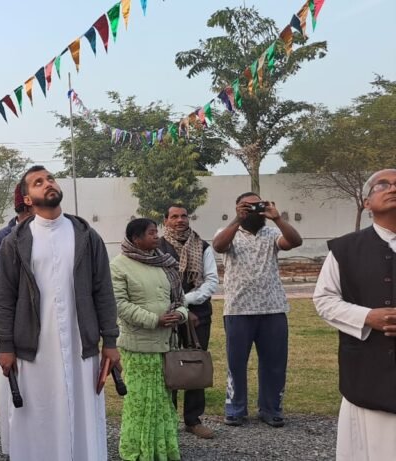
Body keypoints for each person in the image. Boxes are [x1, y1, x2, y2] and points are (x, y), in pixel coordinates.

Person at [0, 165, 119, 461]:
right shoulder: (15, 242)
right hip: (34, 348)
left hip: (80, 344)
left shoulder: (86, 235)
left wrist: (110, 342)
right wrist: (7, 346)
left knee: (82, 413)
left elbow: (103, 290)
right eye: (38, 182)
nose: (48, 183)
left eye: (49, 178)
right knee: (38, 416)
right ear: (27, 199)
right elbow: (5, 298)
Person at [313, 169, 396, 460]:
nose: (392, 188)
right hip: (366, 368)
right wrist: (366, 317)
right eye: (382, 185)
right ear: (366, 203)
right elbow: (324, 299)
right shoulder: (344, 249)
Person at [212, 192, 303, 428]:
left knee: (274, 363)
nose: (254, 210)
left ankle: (271, 409)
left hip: (273, 308)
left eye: (258, 206)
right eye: (247, 206)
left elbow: (294, 242)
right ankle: (235, 409)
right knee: (236, 362)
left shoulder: (272, 232)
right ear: (237, 207)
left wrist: (277, 218)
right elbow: (219, 246)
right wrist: (236, 220)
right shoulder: (228, 231)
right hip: (238, 309)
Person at [112, 218, 187, 461]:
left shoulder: (164, 263)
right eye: (151, 233)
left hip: (166, 344)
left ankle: (161, 450)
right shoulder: (119, 266)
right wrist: (155, 319)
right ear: (136, 239)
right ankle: (137, 451)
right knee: (140, 401)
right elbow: (120, 304)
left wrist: (180, 314)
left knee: (163, 402)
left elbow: (180, 300)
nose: (157, 236)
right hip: (137, 346)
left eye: (156, 232)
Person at [160, 204, 219, 439]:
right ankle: (168, 419)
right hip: (168, 314)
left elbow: (211, 280)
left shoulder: (201, 245)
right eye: (174, 216)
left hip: (198, 315)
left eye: (183, 216)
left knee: (195, 363)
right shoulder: (157, 246)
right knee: (168, 365)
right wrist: (179, 308)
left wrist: (186, 302)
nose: (180, 220)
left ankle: (193, 420)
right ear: (165, 221)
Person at [0, 186, 32, 456]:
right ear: (24, 208)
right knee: (15, 395)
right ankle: (16, 448)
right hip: (13, 330)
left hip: (45, 330)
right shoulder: (2, 239)